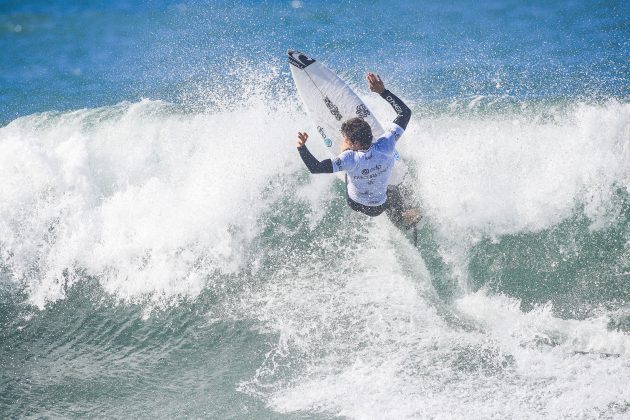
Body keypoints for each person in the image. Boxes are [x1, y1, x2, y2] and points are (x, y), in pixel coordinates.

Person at [296, 72, 419, 228]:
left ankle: (348, 159)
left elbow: (315, 167)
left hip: (354, 203)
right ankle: (403, 218)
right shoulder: (387, 144)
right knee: (392, 191)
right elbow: (405, 113)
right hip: (378, 207)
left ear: (355, 144)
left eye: (346, 138)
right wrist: (382, 91)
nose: (345, 139)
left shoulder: (349, 158)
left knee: (346, 162)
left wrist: (302, 147)